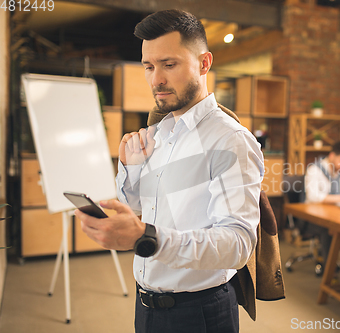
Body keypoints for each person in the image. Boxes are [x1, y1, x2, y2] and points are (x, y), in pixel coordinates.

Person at [76, 9, 264, 333]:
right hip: (146, 306)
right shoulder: (159, 132)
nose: (155, 79)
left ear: (204, 64)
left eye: (169, 64)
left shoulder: (231, 140)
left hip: (199, 313)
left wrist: (148, 238)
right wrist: (130, 169)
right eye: (148, 66)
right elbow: (136, 207)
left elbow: (238, 244)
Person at [303, 141, 340, 263]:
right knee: (329, 230)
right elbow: (313, 196)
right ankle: (329, 272)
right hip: (313, 216)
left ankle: (329, 256)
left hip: (335, 214)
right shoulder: (314, 170)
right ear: (332, 156)